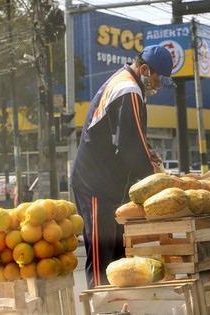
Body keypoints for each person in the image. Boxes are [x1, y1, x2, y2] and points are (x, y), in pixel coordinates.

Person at [70, 45, 175, 288]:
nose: (158, 86)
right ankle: (100, 307)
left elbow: (130, 138)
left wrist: (149, 154)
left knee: (118, 260)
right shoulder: (127, 88)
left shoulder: (131, 87)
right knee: (102, 253)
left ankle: (118, 308)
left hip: (111, 185)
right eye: (159, 80)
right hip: (95, 184)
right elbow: (129, 146)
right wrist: (155, 181)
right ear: (145, 69)